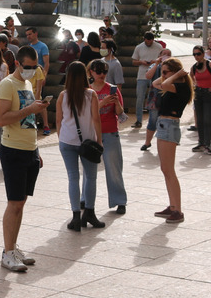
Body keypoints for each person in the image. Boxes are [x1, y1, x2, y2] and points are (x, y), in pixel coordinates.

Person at [0, 46, 49, 272]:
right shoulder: (7, 85)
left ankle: (13, 247)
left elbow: (28, 121)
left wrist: (37, 150)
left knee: (21, 203)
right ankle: (7, 252)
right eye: (27, 67)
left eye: (34, 67)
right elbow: (1, 119)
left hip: (29, 150)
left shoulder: (27, 83)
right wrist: (29, 109)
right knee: (14, 203)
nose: (32, 71)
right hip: (13, 150)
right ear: (17, 63)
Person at [57, 61, 103, 231]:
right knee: (90, 177)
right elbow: (96, 119)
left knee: (73, 177)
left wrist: (62, 137)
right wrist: (99, 140)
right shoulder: (91, 94)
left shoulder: (63, 95)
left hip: (67, 141)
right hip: (88, 142)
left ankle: (76, 216)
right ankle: (89, 213)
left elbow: (58, 120)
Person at [153, 58, 193, 224]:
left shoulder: (180, 86)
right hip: (163, 125)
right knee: (165, 169)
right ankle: (172, 206)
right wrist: (168, 73)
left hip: (170, 125)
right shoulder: (172, 84)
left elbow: (162, 85)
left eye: (165, 72)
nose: (162, 76)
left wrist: (176, 74)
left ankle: (177, 209)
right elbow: (156, 83)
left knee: (169, 170)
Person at [88, 59, 126, 214]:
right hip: (91, 133)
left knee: (114, 168)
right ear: (91, 72)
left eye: (104, 71)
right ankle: (86, 200)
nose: (102, 75)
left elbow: (120, 113)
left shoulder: (112, 89)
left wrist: (116, 103)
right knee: (88, 170)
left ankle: (119, 201)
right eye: (98, 71)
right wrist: (102, 103)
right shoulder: (87, 90)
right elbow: (85, 114)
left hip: (110, 131)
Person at [132, 32, 163, 129]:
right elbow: (134, 61)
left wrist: (156, 62)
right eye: (147, 41)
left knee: (156, 97)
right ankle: (139, 120)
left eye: (151, 41)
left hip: (155, 75)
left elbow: (163, 59)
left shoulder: (159, 47)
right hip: (142, 75)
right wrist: (141, 62)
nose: (149, 43)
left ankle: (156, 120)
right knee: (140, 98)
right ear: (144, 39)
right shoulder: (139, 47)